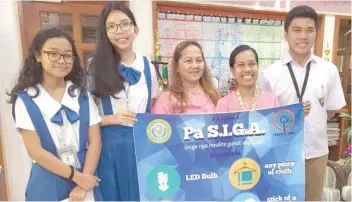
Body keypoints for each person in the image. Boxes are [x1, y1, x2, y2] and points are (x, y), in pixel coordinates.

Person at [259, 5, 346, 201]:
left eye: (309, 30)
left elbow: (331, 110)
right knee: (280, 198)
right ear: (286, 34)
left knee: (313, 199)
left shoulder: (328, 70)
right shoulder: (269, 74)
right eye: (297, 30)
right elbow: (264, 117)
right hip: (281, 152)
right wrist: (291, 115)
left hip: (316, 151)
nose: (303, 36)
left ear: (316, 33)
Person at [9, 28, 102, 201]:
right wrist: (77, 177)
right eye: (53, 54)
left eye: (67, 55)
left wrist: (83, 182)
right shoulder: (26, 99)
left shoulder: (81, 95)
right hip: (48, 179)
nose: (62, 60)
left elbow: (95, 140)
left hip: (85, 175)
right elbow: (35, 151)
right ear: (38, 56)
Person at [86, 2, 160, 201]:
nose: (119, 31)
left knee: (141, 194)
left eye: (124, 24)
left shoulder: (148, 66)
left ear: (135, 29)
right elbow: (86, 116)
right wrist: (112, 118)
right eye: (111, 26)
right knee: (112, 194)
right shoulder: (95, 65)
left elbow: (152, 106)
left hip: (141, 144)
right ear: (105, 32)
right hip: (109, 145)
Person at [152, 40, 220, 114]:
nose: (195, 65)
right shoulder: (166, 99)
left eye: (199, 60)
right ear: (177, 66)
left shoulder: (213, 94)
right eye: (188, 61)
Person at [216, 45, 280, 112]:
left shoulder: (272, 100)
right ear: (232, 70)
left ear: (257, 66)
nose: (247, 69)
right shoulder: (223, 104)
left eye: (252, 64)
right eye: (241, 65)